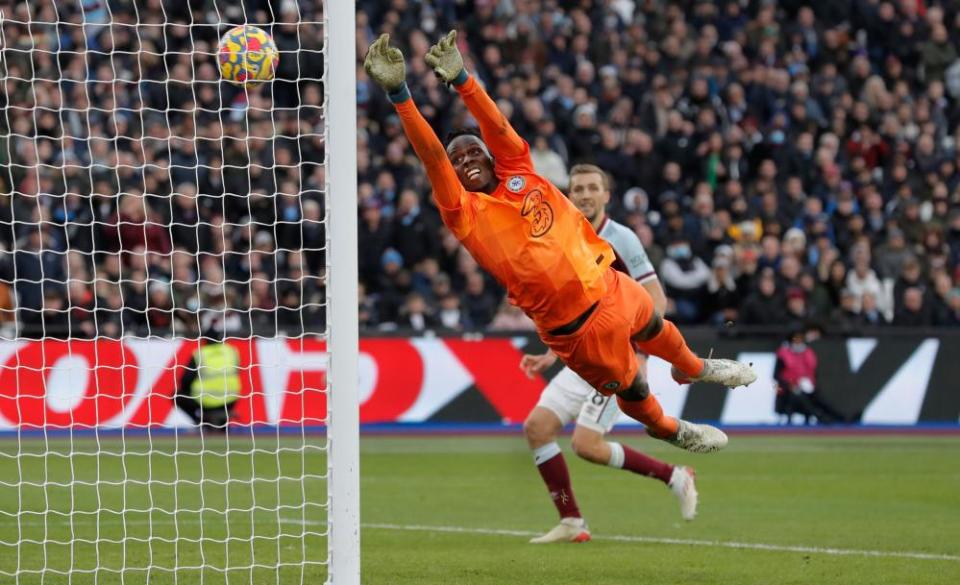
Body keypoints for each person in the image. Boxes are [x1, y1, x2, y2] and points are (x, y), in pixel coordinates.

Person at [363, 31, 756, 454]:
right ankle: (672, 430)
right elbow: (432, 157)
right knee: (636, 389)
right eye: (457, 161)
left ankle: (696, 368)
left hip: (609, 285)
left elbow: (495, 125)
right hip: (577, 330)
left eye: (472, 153)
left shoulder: (520, 168)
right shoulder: (464, 213)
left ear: (490, 156)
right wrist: (401, 95)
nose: (464, 162)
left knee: (655, 327)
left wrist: (463, 79)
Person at [521, 164, 697, 544]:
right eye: (577, 188)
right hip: (583, 358)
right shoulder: (564, 238)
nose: (584, 194)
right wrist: (550, 354)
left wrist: (641, 349)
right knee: (537, 429)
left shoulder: (622, 238)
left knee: (586, 445)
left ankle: (675, 476)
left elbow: (656, 300)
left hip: (619, 360)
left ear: (606, 195)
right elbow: (569, 311)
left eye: (591, 188)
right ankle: (571, 520)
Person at [174, 325, 242, 431]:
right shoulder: (231, 351)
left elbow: (186, 379)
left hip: (205, 400)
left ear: (205, 340)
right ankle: (221, 417)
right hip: (230, 399)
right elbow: (237, 372)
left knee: (177, 396)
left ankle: (202, 421)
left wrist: (186, 390)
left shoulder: (200, 354)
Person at [773, 327, 846, 425]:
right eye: (796, 339)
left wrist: (810, 384)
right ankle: (821, 417)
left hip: (806, 386)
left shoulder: (808, 353)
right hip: (789, 390)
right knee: (800, 396)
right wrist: (791, 385)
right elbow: (776, 375)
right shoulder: (783, 354)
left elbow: (813, 373)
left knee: (819, 398)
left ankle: (840, 417)